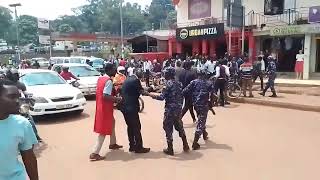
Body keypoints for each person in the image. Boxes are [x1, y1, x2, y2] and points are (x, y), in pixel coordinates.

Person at [0, 79, 39, 180]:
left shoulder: (22, 124)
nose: (18, 101)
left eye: (18, 97)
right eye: (12, 97)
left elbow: (29, 157)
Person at [149, 67, 189, 155]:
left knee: (167, 127)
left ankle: (170, 149)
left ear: (169, 74)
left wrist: (151, 95)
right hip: (178, 108)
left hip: (170, 109)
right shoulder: (179, 84)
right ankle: (185, 144)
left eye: (166, 73)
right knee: (179, 125)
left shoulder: (167, 84)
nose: (164, 75)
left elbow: (161, 97)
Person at [90, 63, 123, 161]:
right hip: (105, 108)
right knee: (104, 130)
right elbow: (105, 95)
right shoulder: (108, 81)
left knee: (112, 122)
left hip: (101, 106)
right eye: (114, 70)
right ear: (109, 70)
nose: (115, 72)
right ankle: (94, 153)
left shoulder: (101, 79)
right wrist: (117, 99)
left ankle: (113, 143)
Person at [120, 69, 150, 153]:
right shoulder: (136, 80)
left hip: (124, 107)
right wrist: (150, 91)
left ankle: (132, 146)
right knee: (137, 127)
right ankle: (139, 147)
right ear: (140, 75)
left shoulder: (129, 78)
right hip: (131, 107)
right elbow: (141, 91)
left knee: (130, 127)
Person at [183, 69, 213, 150]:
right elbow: (212, 95)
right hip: (204, 105)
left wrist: (192, 96)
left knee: (201, 119)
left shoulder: (193, 82)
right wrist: (211, 105)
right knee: (201, 122)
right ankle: (195, 143)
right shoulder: (208, 83)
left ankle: (204, 134)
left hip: (196, 105)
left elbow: (185, 91)